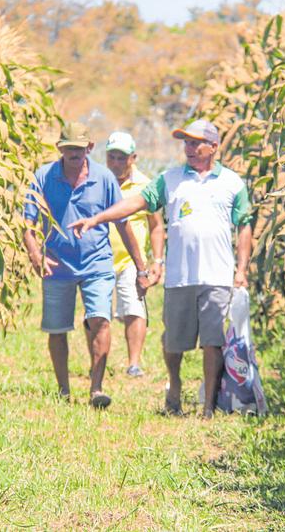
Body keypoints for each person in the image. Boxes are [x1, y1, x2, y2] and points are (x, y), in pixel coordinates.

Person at [68, 119, 252, 418]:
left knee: (213, 341)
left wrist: (241, 269)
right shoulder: (170, 179)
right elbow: (136, 203)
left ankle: (207, 408)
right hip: (180, 276)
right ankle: (175, 390)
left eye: (196, 143)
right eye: (186, 143)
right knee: (174, 342)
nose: (189, 149)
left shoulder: (232, 183)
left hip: (217, 275)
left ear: (214, 147)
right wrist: (97, 219)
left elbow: (244, 226)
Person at [22, 122, 151, 409]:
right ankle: (63, 389)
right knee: (57, 329)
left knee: (100, 321)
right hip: (57, 265)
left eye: (79, 149)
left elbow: (122, 223)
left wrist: (140, 267)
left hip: (97, 263)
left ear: (89, 148)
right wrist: (35, 254)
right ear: (60, 148)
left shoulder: (104, 178)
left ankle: (96, 389)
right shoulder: (44, 177)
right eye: (68, 148)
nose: (73, 154)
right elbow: (27, 224)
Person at [104, 132, 165, 377]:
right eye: (112, 157)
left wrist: (157, 260)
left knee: (134, 308)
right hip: (101, 257)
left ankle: (134, 363)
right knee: (98, 313)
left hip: (132, 258)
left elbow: (156, 226)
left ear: (133, 158)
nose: (116, 163)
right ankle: (98, 360)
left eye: (122, 158)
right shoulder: (99, 181)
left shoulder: (145, 185)